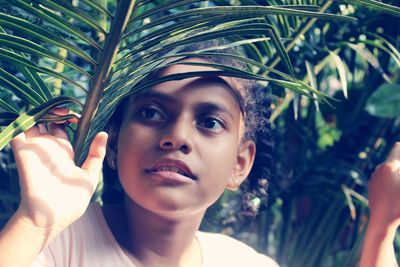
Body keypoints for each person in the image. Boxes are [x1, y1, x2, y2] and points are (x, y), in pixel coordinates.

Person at [0, 41, 279, 267]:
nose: (177, 137)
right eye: (151, 112)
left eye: (209, 122)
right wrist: (35, 223)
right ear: (114, 141)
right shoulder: (51, 245)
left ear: (240, 164)